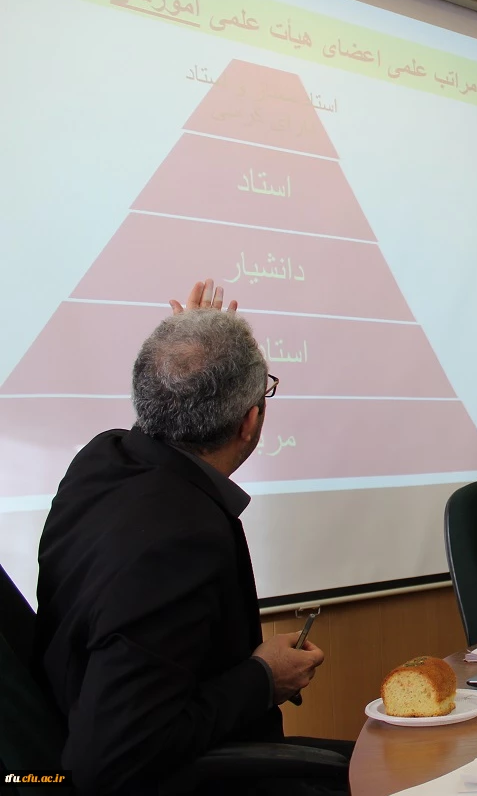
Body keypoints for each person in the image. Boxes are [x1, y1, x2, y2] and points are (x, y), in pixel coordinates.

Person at [33, 280, 350, 794]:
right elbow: (113, 758)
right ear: (250, 422)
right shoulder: (179, 541)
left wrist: (187, 361)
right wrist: (263, 678)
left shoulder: (101, 461)